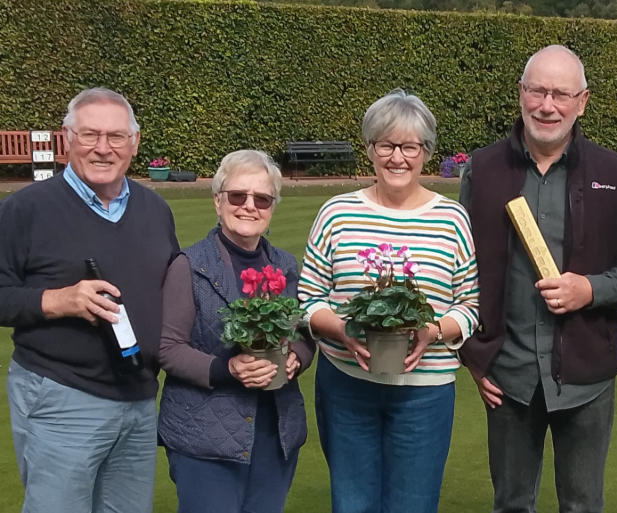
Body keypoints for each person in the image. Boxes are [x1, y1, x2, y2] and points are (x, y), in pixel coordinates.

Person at [458, 45, 617, 513]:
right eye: (537, 91)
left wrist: (591, 289)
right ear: (521, 94)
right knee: (510, 503)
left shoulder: (612, 170)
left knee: (583, 505)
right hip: (507, 376)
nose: (547, 105)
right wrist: (472, 355)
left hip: (587, 375)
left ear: (582, 101)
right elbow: (460, 270)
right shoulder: (483, 169)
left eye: (561, 94)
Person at [298, 89, 480, 513]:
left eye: (410, 146)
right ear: (371, 149)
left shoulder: (451, 219)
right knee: (352, 504)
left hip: (425, 392)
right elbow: (307, 299)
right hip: (346, 385)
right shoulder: (336, 213)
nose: (397, 157)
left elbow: (469, 307)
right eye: (387, 145)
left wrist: (433, 331)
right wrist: (342, 329)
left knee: (413, 505)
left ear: (426, 153)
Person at [0, 87, 179, 513]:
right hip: (61, 394)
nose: (103, 148)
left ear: (134, 144)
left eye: (116, 137)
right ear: (66, 139)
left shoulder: (155, 210)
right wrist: (57, 301)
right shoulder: (26, 209)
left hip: (138, 398)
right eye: (90, 135)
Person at [157, 150, 315, 512]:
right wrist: (226, 369)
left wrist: (297, 359)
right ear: (218, 201)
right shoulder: (190, 265)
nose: (249, 206)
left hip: (275, 433)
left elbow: (305, 332)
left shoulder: (286, 266)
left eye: (261, 198)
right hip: (205, 436)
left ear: (272, 207)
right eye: (237, 196)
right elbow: (168, 347)